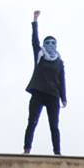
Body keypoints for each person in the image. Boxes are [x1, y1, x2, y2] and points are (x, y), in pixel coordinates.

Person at [24, 10, 67, 155]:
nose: (50, 45)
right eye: (47, 42)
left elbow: (62, 81)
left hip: (53, 95)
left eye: (53, 43)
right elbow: (34, 41)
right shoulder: (40, 55)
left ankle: (57, 152)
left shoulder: (59, 61)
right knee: (32, 122)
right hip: (38, 93)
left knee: (54, 126)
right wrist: (35, 21)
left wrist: (64, 98)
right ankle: (26, 150)